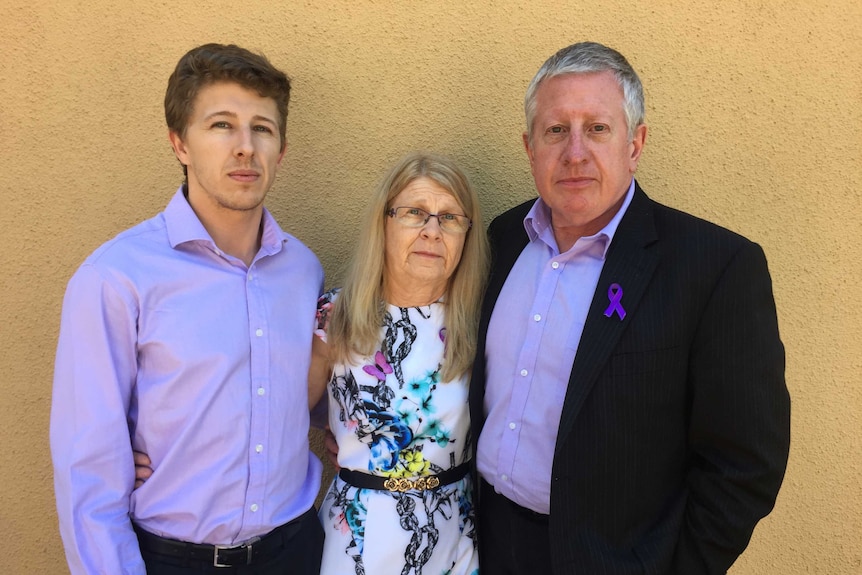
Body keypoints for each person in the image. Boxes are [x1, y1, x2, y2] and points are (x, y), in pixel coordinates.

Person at [469, 42, 791, 574]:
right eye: (556, 131)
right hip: (486, 543)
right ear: (529, 147)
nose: (575, 153)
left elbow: (745, 464)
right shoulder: (502, 240)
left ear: (635, 143)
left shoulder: (714, 269)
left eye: (597, 128)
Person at [50, 43, 324, 574]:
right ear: (180, 143)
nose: (245, 148)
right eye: (221, 125)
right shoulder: (116, 278)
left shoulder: (303, 270)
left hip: (294, 553)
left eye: (262, 129)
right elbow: (88, 478)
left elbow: (306, 399)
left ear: (282, 150)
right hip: (172, 560)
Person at [309, 152, 489, 574]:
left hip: (452, 537)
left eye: (450, 218)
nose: (432, 231)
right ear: (384, 223)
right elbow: (283, 418)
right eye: (415, 213)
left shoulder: (480, 322)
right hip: (358, 539)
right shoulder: (336, 316)